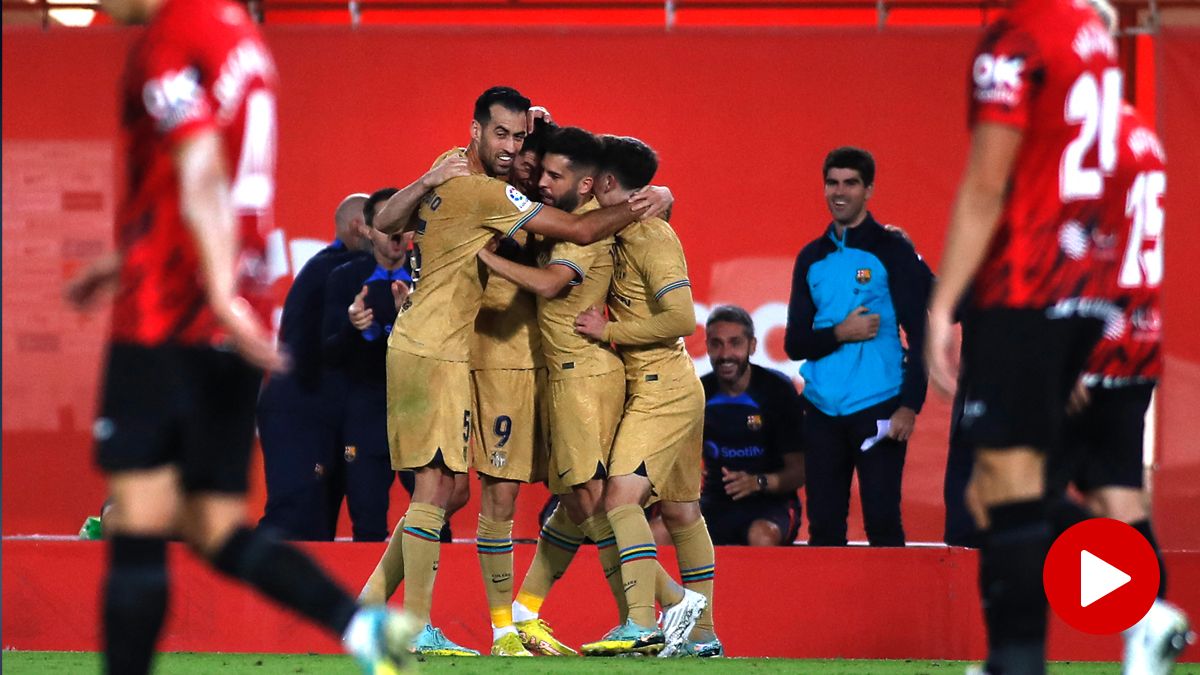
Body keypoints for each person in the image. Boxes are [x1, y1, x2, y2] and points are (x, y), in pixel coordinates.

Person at [64, 0, 415, 670]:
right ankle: (357, 624)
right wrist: (139, 263)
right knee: (214, 526)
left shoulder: (168, 42)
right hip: (227, 311)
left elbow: (200, 166)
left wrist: (213, 294)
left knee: (136, 515)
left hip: (171, 313)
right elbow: (206, 177)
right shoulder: (239, 35)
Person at [367, 86, 662, 656]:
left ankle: (380, 602)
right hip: (453, 351)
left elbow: (389, 219)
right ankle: (485, 626)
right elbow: (574, 228)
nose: (514, 150)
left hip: (462, 351)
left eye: (520, 139)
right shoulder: (477, 187)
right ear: (476, 129)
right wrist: (645, 201)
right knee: (455, 489)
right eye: (501, 135)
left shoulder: (460, 172)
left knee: (454, 492)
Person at [924, 1, 1122, 671]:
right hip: (1080, 279)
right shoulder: (1092, 41)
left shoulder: (1017, 40)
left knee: (1005, 484)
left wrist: (942, 303)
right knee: (997, 487)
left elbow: (988, 182)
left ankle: (1033, 650)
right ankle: (1017, 654)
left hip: (1026, 283)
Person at [477, 127, 700, 656]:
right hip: (576, 375)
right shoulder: (583, 222)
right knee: (577, 504)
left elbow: (553, 284)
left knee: (592, 498)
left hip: (583, 375)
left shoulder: (586, 232)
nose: (547, 182)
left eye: (557, 176)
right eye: (544, 173)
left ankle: (667, 605)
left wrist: (484, 257)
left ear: (588, 184)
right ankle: (534, 609)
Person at [574, 135, 713, 657]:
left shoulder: (652, 236)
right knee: (680, 514)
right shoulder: (626, 225)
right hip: (668, 385)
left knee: (618, 500)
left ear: (610, 183)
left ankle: (641, 624)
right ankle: (703, 637)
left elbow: (682, 319)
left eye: (595, 180)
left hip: (664, 390)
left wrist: (606, 332)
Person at [784, 147, 932, 547]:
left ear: (868, 189)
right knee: (825, 527)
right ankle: (824, 611)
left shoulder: (891, 249)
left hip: (879, 406)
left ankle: (895, 610)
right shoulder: (811, 258)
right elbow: (795, 343)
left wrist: (909, 406)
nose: (839, 191)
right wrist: (840, 333)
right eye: (832, 182)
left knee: (882, 521)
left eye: (850, 183)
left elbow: (921, 332)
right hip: (821, 409)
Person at [256, 194, 371, 541]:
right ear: (359, 227)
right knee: (295, 519)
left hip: (319, 415)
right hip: (301, 413)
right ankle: (251, 587)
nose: (393, 241)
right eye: (385, 228)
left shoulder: (331, 268)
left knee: (316, 527)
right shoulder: (337, 270)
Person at [320, 187, 411, 542]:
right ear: (369, 231)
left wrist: (414, 318)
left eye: (402, 222)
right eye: (386, 224)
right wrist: (351, 326)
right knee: (368, 523)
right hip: (365, 414)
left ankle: (442, 598)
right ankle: (370, 599)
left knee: (435, 523)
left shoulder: (430, 276)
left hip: (419, 411)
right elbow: (328, 352)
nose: (395, 233)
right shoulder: (343, 279)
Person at [700, 305, 806, 547]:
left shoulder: (777, 391)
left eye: (735, 343)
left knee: (760, 536)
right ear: (706, 347)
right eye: (716, 344)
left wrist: (757, 482)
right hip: (714, 503)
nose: (725, 354)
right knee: (660, 532)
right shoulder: (699, 392)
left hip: (771, 505)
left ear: (752, 345)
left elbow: (800, 471)